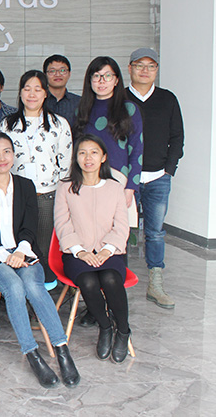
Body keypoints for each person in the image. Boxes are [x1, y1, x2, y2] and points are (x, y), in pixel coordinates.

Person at [0, 133, 80, 388]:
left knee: (32, 285)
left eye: (7, 151)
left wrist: (20, 251)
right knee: (14, 286)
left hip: (24, 250)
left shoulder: (26, 186)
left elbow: (30, 226)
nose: (2, 158)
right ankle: (32, 354)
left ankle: (62, 350)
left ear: (13, 154)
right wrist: (6, 256)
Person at [54, 134, 132, 363]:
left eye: (94, 152)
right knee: (88, 281)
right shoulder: (66, 187)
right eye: (82, 153)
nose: (88, 158)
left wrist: (107, 250)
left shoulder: (115, 188)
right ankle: (105, 327)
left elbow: (122, 225)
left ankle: (123, 330)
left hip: (110, 251)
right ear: (76, 158)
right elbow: (62, 223)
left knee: (110, 278)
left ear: (103, 157)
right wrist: (80, 251)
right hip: (77, 253)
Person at [0, 70, 73, 281]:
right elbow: (0, 161)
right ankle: (18, 287)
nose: (32, 94)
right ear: (20, 92)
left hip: (46, 196)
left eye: (37, 89)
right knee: (16, 245)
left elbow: (65, 165)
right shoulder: (7, 124)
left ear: (45, 93)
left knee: (42, 247)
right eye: (27, 89)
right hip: (15, 197)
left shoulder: (59, 124)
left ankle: (42, 289)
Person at [127, 48, 184, 309]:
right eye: (140, 65)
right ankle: (116, 282)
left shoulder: (167, 99)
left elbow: (177, 137)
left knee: (155, 232)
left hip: (158, 177)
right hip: (125, 180)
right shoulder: (119, 98)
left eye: (151, 66)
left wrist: (169, 169)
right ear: (130, 68)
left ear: (156, 70)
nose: (145, 70)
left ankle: (155, 285)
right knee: (121, 231)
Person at [74, 56, 143, 212]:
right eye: (96, 76)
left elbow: (136, 150)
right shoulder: (81, 110)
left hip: (119, 180)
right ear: (90, 80)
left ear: (116, 80)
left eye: (108, 76)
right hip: (87, 180)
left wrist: (130, 187)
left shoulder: (129, 109)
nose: (102, 81)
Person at [43, 55, 81, 126]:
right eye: (52, 71)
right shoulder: (37, 100)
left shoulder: (79, 102)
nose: (57, 74)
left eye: (62, 70)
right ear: (45, 75)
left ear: (69, 74)